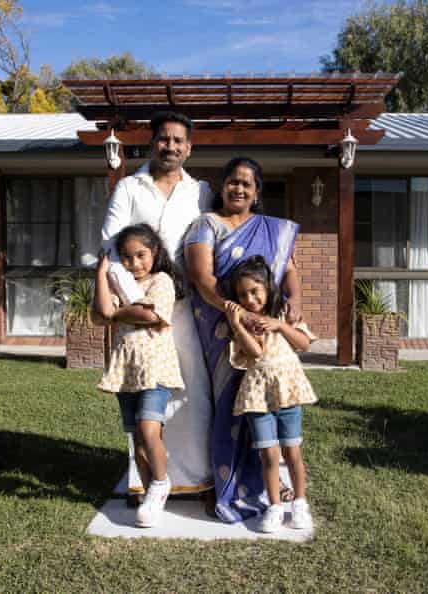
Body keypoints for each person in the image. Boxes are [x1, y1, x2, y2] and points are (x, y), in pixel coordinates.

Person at [101, 111, 214, 501]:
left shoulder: (201, 192)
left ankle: (197, 478)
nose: (171, 146)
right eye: (164, 139)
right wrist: (138, 304)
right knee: (140, 395)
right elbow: (110, 249)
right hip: (139, 318)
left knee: (192, 395)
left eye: (178, 140)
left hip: (186, 312)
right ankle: (144, 481)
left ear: (189, 148)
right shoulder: (129, 188)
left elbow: (210, 244)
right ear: (153, 143)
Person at [184, 156, 303, 523]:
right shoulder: (206, 225)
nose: (238, 188)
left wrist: (295, 299)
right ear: (222, 187)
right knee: (229, 406)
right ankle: (226, 486)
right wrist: (237, 313)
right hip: (224, 328)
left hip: (265, 331)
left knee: (264, 405)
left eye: (246, 184)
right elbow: (202, 278)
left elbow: (289, 270)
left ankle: (269, 487)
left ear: (256, 192)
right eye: (233, 181)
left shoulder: (273, 230)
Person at [95, 224, 185, 527]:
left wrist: (118, 313)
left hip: (155, 368)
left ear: (154, 253)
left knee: (149, 431)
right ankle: (150, 496)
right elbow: (101, 311)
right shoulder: (120, 285)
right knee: (138, 438)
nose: (135, 263)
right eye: (127, 258)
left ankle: (161, 483)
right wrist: (102, 273)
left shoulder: (162, 281)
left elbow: (150, 315)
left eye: (140, 255)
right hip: (127, 371)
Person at [224, 255, 317, 532]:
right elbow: (256, 352)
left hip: (287, 393)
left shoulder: (284, 314)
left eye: (255, 291)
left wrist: (281, 326)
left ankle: (300, 504)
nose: (250, 299)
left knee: (292, 451)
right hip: (258, 397)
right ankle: (275, 506)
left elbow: (303, 344)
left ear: (268, 288)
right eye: (243, 295)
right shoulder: (243, 325)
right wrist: (237, 326)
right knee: (269, 455)